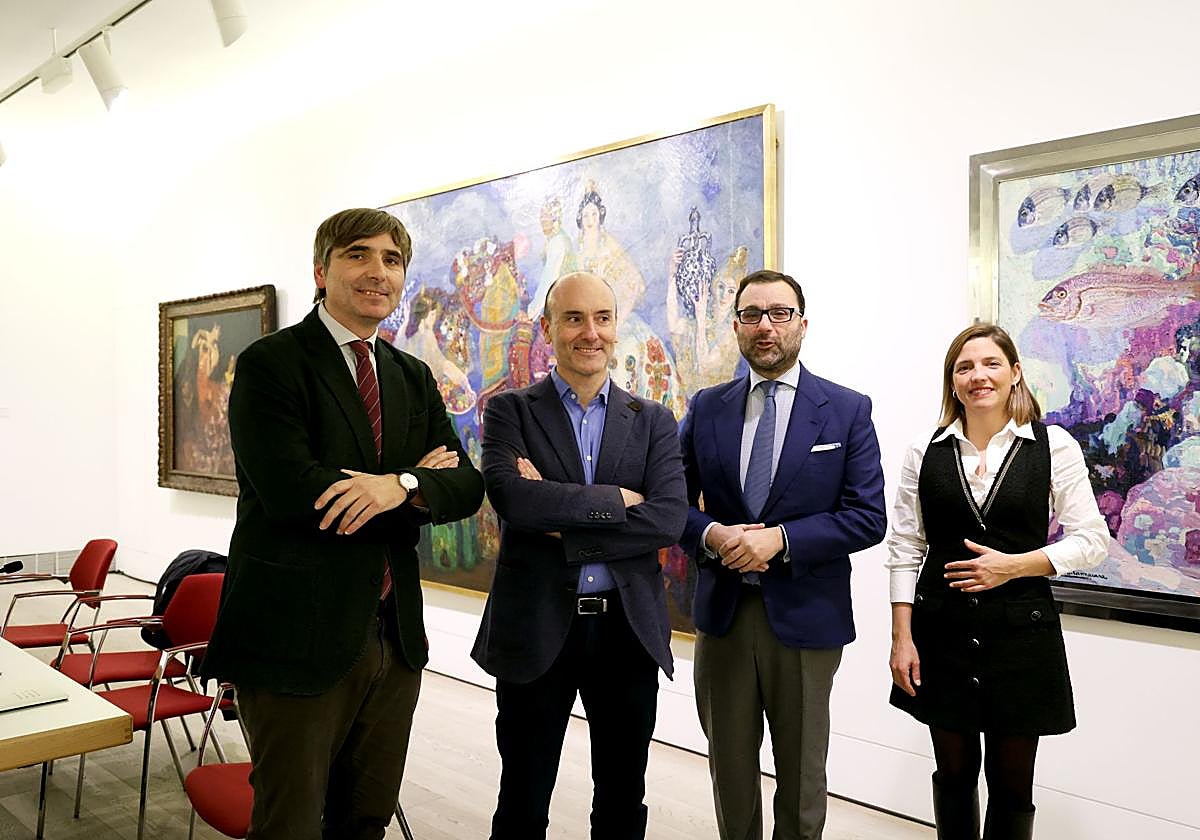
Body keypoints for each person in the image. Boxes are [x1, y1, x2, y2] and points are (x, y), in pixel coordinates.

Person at [203, 208, 485, 840]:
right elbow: (291, 492)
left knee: (364, 820)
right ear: (320, 270)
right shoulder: (271, 363)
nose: (376, 272)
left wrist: (400, 484)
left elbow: (465, 485)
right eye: (358, 254)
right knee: (291, 823)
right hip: (294, 635)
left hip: (394, 638)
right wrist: (418, 485)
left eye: (391, 260)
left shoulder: (411, 375)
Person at [471, 270, 687, 840]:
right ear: (548, 329)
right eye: (573, 318)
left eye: (602, 318)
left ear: (616, 329)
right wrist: (617, 501)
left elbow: (666, 517)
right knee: (522, 796)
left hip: (626, 633)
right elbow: (515, 501)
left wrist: (563, 522)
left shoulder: (654, 421)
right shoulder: (510, 411)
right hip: (537, 627)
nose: (589, 332)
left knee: (621, 801)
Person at [679, 269, 886, 840]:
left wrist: (783, 540)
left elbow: (868, 517)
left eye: (779, 313)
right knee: (731, 772)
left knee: (801, 778)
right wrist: (712, 535)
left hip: (805, 620)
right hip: (723, 618)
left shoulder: (846, 410)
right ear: (737, 326)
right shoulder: (706, 408)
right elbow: (669, 504)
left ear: (802, 324)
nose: (765, 326)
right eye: (751, 314)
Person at [886, 323, 1107, 840]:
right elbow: (903, 547)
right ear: (952, 381)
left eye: (990, 364)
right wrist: (902, 637)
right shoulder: (926, 450)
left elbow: (1091, 539)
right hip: (940, 633)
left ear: (1015, 373)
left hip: (1021, 637)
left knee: (1012, 785)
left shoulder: (1054, 446)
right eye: (964, 367)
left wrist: (1013, 565)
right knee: (954, 776)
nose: (977, 376)